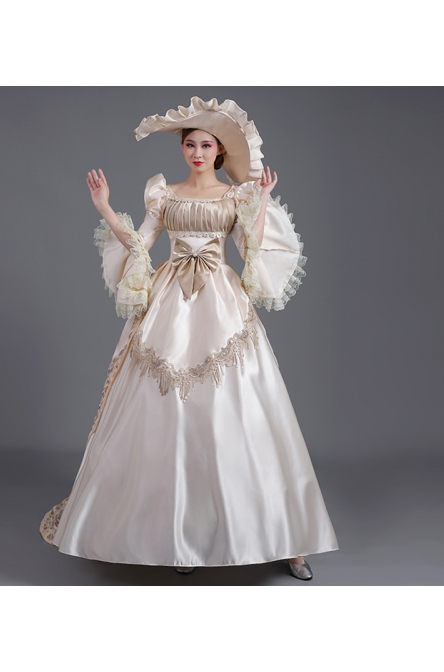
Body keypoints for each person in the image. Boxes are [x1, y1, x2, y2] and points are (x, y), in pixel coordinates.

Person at [40, 96, 339, 580]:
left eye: (206, 145)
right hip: (169, 303)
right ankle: (177, 536)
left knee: (241, 409)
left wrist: (261, 200)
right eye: (190, 145)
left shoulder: (236, 196)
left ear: (219, 151)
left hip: (222, 303)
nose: (197, 152)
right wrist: (105, 207)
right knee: (168, 412)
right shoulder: (163, 194)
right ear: (182, 149)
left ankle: (287, 538)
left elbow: (251, 248)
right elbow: (140, 244)